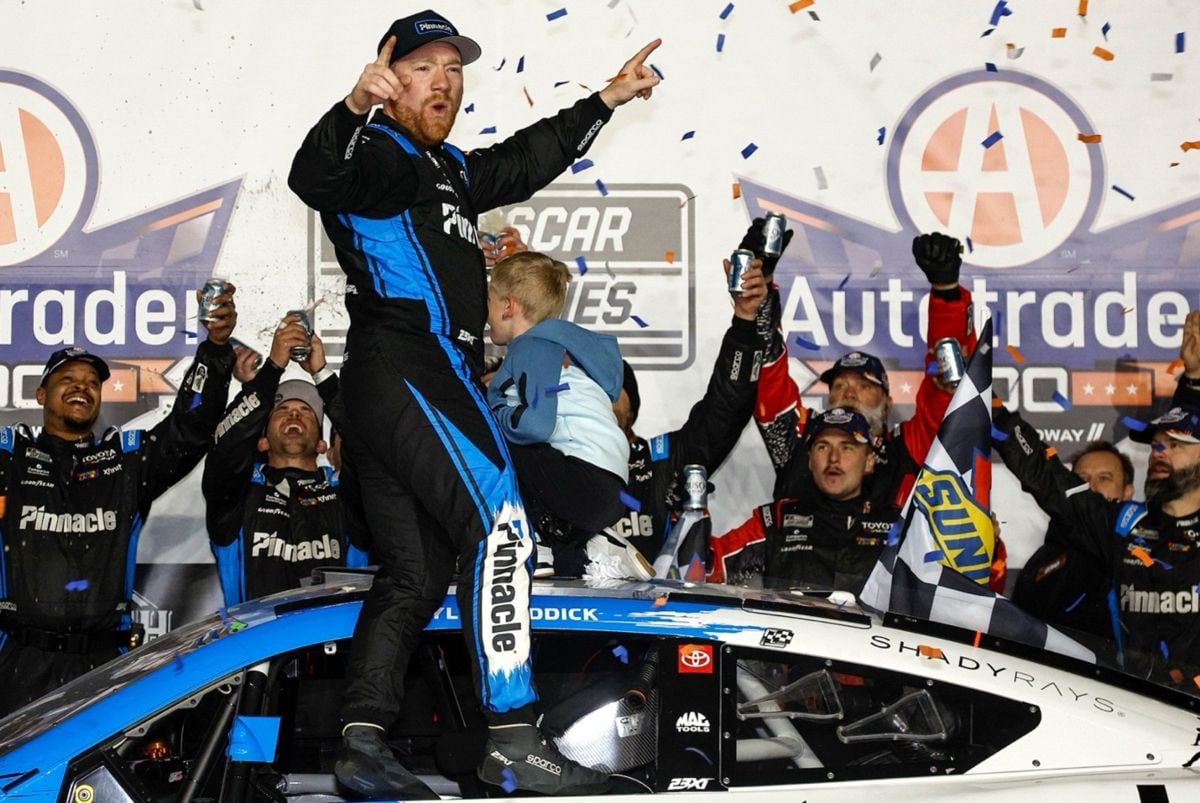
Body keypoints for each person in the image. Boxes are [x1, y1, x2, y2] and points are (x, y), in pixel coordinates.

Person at [288, 9, 660, 797]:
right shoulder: (376, 154)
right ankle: (515, 733)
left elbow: (522, 162)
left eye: (454, 70)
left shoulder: (448, 168)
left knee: (416, 569)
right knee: (502, 524)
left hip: (397, 386)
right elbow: (313, 179)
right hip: (408, 364)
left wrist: (606, 100)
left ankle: (362, 738)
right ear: (389, 79)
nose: (445, 83)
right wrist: (353, 107)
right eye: (423, 68)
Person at [0, 283, 238, 716]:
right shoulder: (9, 460)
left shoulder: (125, 462)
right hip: (18, 661)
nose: (82, 388)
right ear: (41, 395)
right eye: (68, 380)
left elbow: (189, 430)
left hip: (102, 664)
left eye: (92, 383)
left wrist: (216, 351)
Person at [754, 232, 977, 514]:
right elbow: (768, 375)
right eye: (838, 385)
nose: (848, 392)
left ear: (887, 405)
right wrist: (760, 291)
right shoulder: (802, 438)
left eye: (864, 385)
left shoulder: (906, 448)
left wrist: (946, 292)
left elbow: (947, 384)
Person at [994, 402, 1200, 686]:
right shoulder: (1121, 524)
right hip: (1140, 702)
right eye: (1156, 445)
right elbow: (1046, 475)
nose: (1159, 453)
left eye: (1175, 444)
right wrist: (995, 412)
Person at [203, 315, 369, 606]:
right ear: (262, 441)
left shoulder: (346, 493)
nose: (294, 414)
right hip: (257, 635)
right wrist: (272, 369)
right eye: (282, 410)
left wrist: (323, 375)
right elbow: (224, 446)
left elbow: (369, 446)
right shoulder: (239, 495)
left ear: (322, 444)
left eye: (306, 412)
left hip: (335, 634)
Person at [485, 252, 632, 551]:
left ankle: (525, 539)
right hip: (610, 486)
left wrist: (493, 411)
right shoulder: (561, 349)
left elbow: (537, 426)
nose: (484, 312)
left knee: (490, 435)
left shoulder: (534, 348)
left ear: (508, 306)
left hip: (583, 480)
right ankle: (585, 550)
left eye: (488, 301)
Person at [707, 407, 897, 593]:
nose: (833, 458)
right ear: (810, 460)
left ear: (869, 461)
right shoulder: (777, 520)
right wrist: (693, 505)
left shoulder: (897, 526)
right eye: (823, 447)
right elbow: (711, 567)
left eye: (846, 447)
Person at [1012, 441, 1135, 639]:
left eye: (1104, 478)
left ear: (1127, 492)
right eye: (1081, 480)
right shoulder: (1041, 561)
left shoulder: (1136, 552)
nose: (1091, 488)